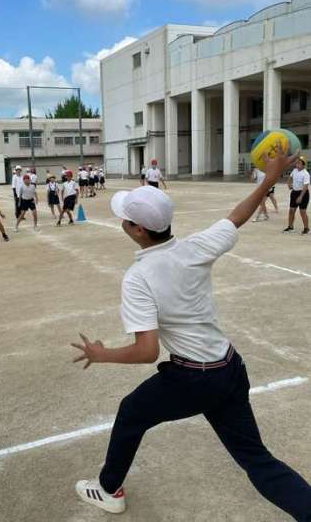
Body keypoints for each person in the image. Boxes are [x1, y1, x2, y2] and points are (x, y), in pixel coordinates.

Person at [72, 148, 311, 521]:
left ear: (138, 230)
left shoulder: (139, 277)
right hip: (229, 368)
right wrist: (269, 178)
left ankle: (108, 489)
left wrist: (103, 354)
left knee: (131, 412)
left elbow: (147, 351)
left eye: (126, 220)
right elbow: (237, 216)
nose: (122, 223)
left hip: (193, 379)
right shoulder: (195, 247)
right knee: (257, 460)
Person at [283, 156, 309, 235]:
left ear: (303, 164)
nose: (297, 164)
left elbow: (305, 186)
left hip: (303, 193)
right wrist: (289, 184)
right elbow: (290, 177)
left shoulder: (306, 174)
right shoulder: (294, 170)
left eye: (299, 163)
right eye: (297, 163)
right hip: (294, 193)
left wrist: (300, 196)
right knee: (291, 210)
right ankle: (290, 227)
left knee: (302, 212)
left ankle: (306, 229)